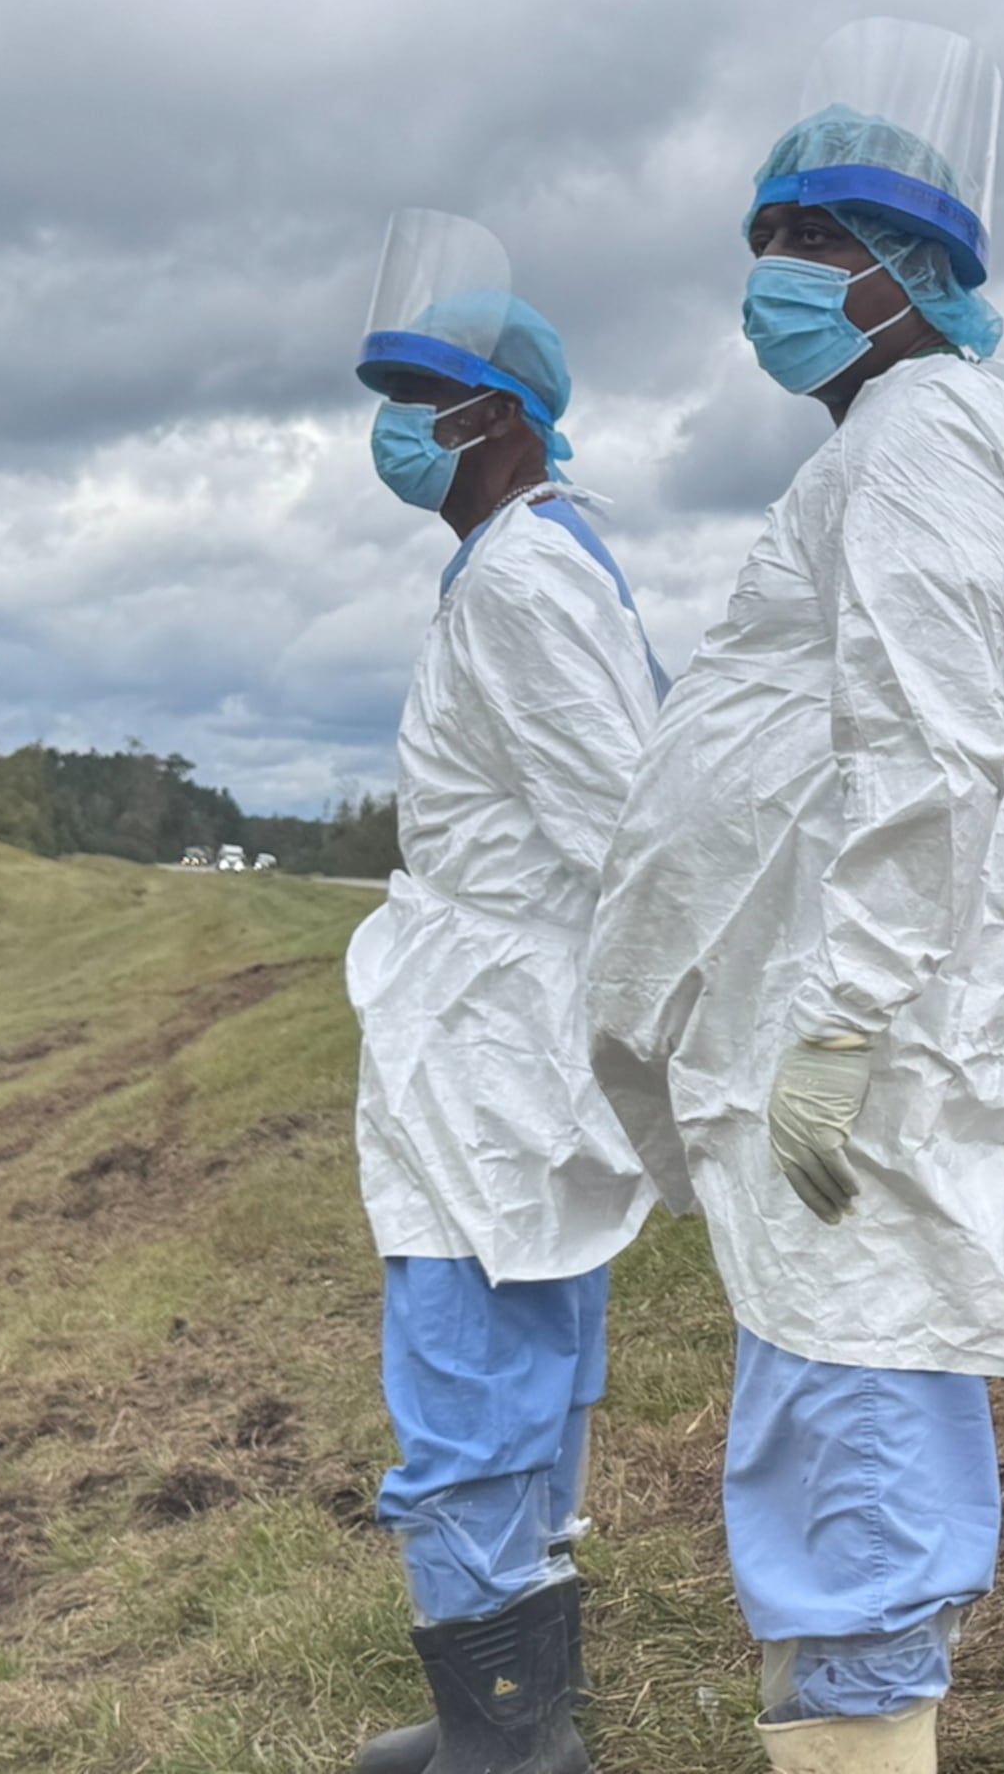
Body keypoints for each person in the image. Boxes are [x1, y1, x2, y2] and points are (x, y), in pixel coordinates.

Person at [583, 20, 1004, 1774]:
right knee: (841, 1368)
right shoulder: (897, 437)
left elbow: (929, 747)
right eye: (770, 248)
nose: (777, 285)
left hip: (874, 1010)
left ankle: (864, 1743)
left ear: (912, 274)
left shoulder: (931, 432)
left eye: (817, 246)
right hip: (856, 990)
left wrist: (847, 1019)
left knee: (852, 1380)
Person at [342, 209, 668, 1774]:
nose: (399, 435)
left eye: (425, 405)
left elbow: (619, 823)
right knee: (515, 1351)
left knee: (467, 1363)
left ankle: (511, 1736)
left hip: (494, 1037)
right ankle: (508, 1705)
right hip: (493, 1022)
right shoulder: (519, 566)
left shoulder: (525, 582)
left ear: (501, 420)